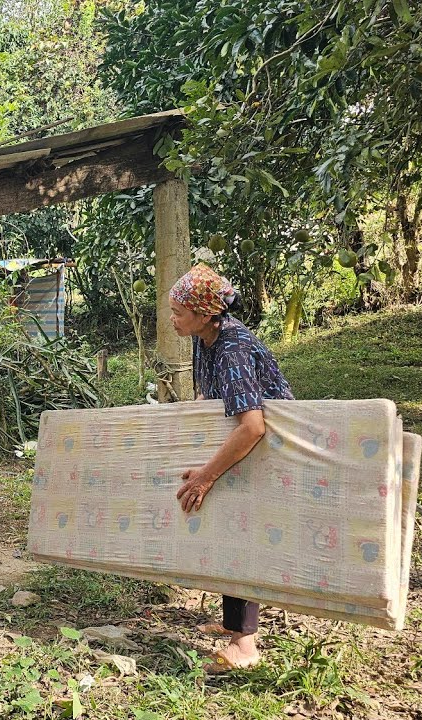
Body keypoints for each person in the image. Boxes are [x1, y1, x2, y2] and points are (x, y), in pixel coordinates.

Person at [168, 263, 295, 673]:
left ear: (206, 314)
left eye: (179, 313)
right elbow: (211, 398)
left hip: (268, 445)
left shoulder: (232, 349)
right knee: (227, 522)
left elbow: (254, 425)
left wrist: (207, 474)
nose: (173, 319)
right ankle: (232, 624)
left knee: (242, 530)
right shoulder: (204, 338)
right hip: (244, 438)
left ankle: (246, 646)